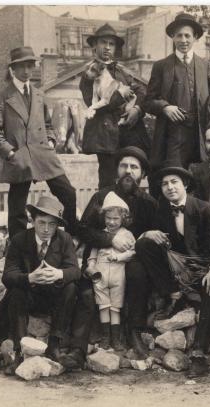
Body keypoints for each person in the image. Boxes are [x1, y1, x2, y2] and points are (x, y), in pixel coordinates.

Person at [60, 146, 157, 367]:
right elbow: (82, 229)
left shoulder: (148, 203)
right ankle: (78, 348)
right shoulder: (101, 196)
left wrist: (139, 242)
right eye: (124, 165)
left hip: (130, 261)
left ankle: (132, 333)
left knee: (137, 275)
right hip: (99, 259)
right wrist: (109, 240)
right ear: (117, 170)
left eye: (134, 167)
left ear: (142, 174)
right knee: (85, 290)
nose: (128, 171)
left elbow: (155, 237)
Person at [134, 161, 210, 378]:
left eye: (174, 182)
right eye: (164, 184)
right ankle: (172, 293)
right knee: (144, 244)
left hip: (203, 266)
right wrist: (148, 234)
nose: (169, 187)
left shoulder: (205, 209)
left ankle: (199, 353)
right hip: (175, 269)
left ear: (185, 185)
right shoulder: (162, 209)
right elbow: (154, 243)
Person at [0, 46, 77, 239]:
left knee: (68, 193)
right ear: (13, 69)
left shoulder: (39, 94)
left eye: (30, 65)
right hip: (19, 157)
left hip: (43, 153)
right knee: (17, 208)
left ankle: (70, 238)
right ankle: (17, 248)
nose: (27, 71)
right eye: (22, 66)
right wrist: (11, 154)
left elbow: (47, 123)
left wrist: (51, 141)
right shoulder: (1, 98)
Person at [0, 196, 80, 375]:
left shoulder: (64, 239)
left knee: (71, 288)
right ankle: (19, 349)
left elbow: (75, 271)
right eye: (42, 223)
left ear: (57, 225)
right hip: (28, 296)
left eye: (52, 224)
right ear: (32, 220)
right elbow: (8, 276)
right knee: (15, 291)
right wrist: (29, 278)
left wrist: (58, 274)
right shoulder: (19, 240)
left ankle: (54, 345)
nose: (46, 229)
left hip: (53, 298)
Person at [142, 12, 210, 197]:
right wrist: (165, 107)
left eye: (187, 35)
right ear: (173, 37)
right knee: (173, 184)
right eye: (179, 35)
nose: (183, 40)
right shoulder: (161, 66)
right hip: (172, 138)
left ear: (195, 37)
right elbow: (148, 101)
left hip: (200, 138)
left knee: (200, 187)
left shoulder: (204, 65)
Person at [80, 23, 150, 189]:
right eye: (103, 42)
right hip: (106, 137)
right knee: (108, 181)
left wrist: (137, 110)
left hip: (128, 133)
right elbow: (97, 103)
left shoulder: (121, 70)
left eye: (111, 44)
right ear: (94, 46)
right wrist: (122, 93)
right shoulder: (89, 73)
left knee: (131, 179)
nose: (107, 47)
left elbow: (142, 90)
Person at [85, 192, 135, 351]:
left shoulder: (126, 235)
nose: (112, 222)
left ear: (123, 219)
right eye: (108, 218)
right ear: (104, 217)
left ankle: (116, 338)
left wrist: (118, 257)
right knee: (103, 306)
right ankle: (105, 337)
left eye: (116, 219)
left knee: (115, 307)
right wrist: (91, 267)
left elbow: (133, 252)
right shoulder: (101, 235)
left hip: (117, 276)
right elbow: (92, 255)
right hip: (99, 277)